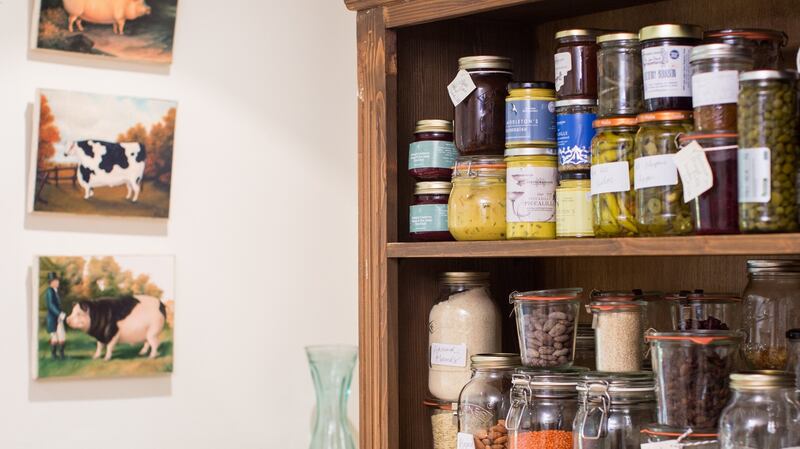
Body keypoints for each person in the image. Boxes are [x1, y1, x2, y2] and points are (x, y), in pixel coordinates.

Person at [45, 272, 66, 360]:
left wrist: (61, 313)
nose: (58, 282)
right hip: (52, 318)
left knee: (62, 336)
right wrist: (59, 313)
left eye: (57, 280)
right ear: (51, 282)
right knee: (54, 337)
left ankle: (61, 355)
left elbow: (57, 305)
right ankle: (54, 355)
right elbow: (51, 305)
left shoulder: (56, 291)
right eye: (56, 281)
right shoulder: (50, 291)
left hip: (58, 318)